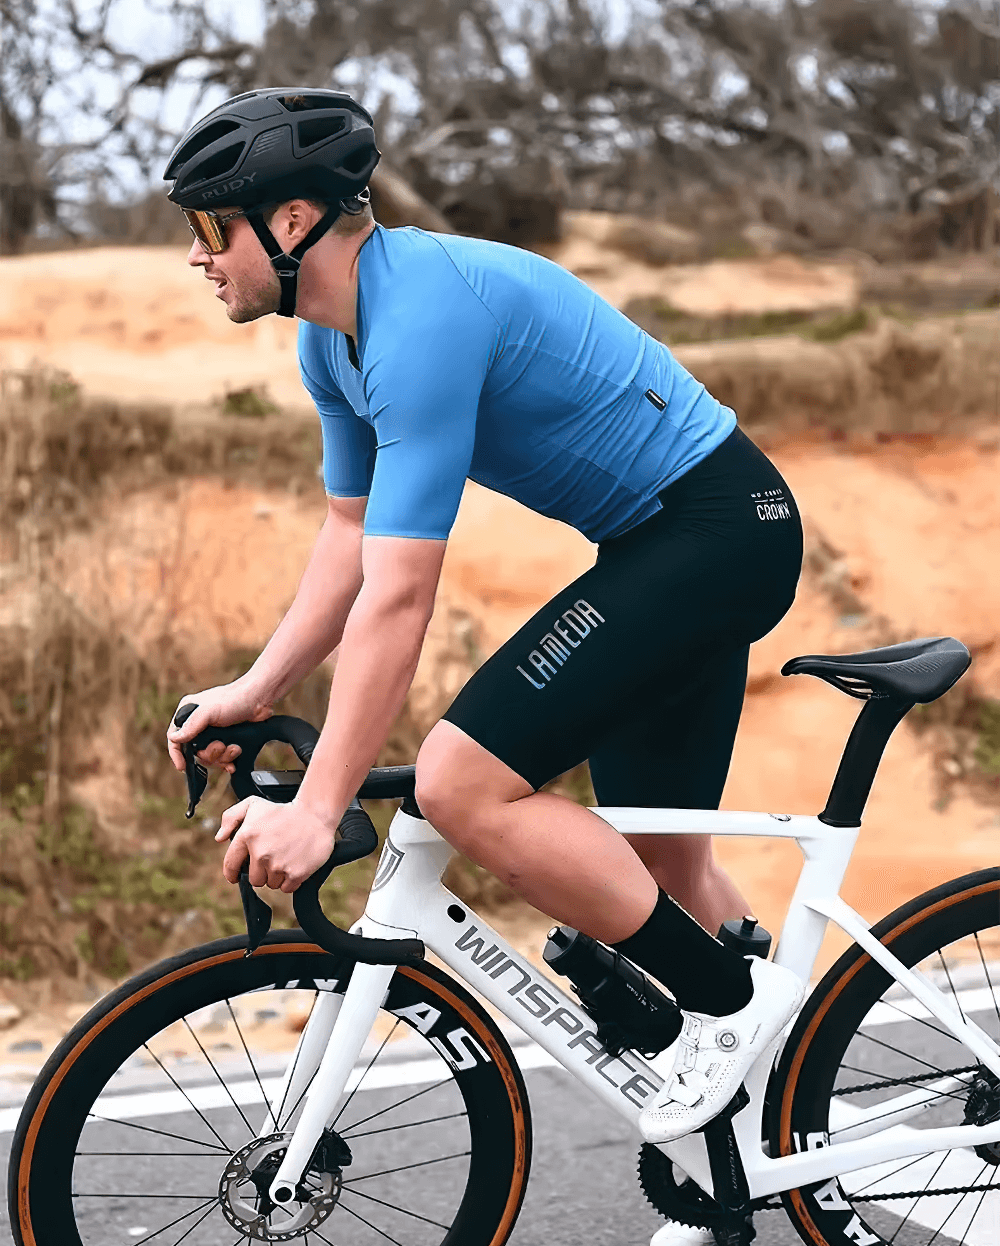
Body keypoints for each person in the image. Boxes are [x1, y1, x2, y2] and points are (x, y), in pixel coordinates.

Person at [163, 88, 804, 1237]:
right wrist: (256, 687)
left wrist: (318, 807)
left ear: (292, 220)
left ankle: (720, 1012)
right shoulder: (332, 338)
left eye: (212, 228)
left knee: (462, 781)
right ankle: (773, 1134)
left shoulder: (420, 321)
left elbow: (403, 592)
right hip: (669, 538)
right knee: (662, 867)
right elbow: (351, 540)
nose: (197, 257)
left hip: (714, 529)